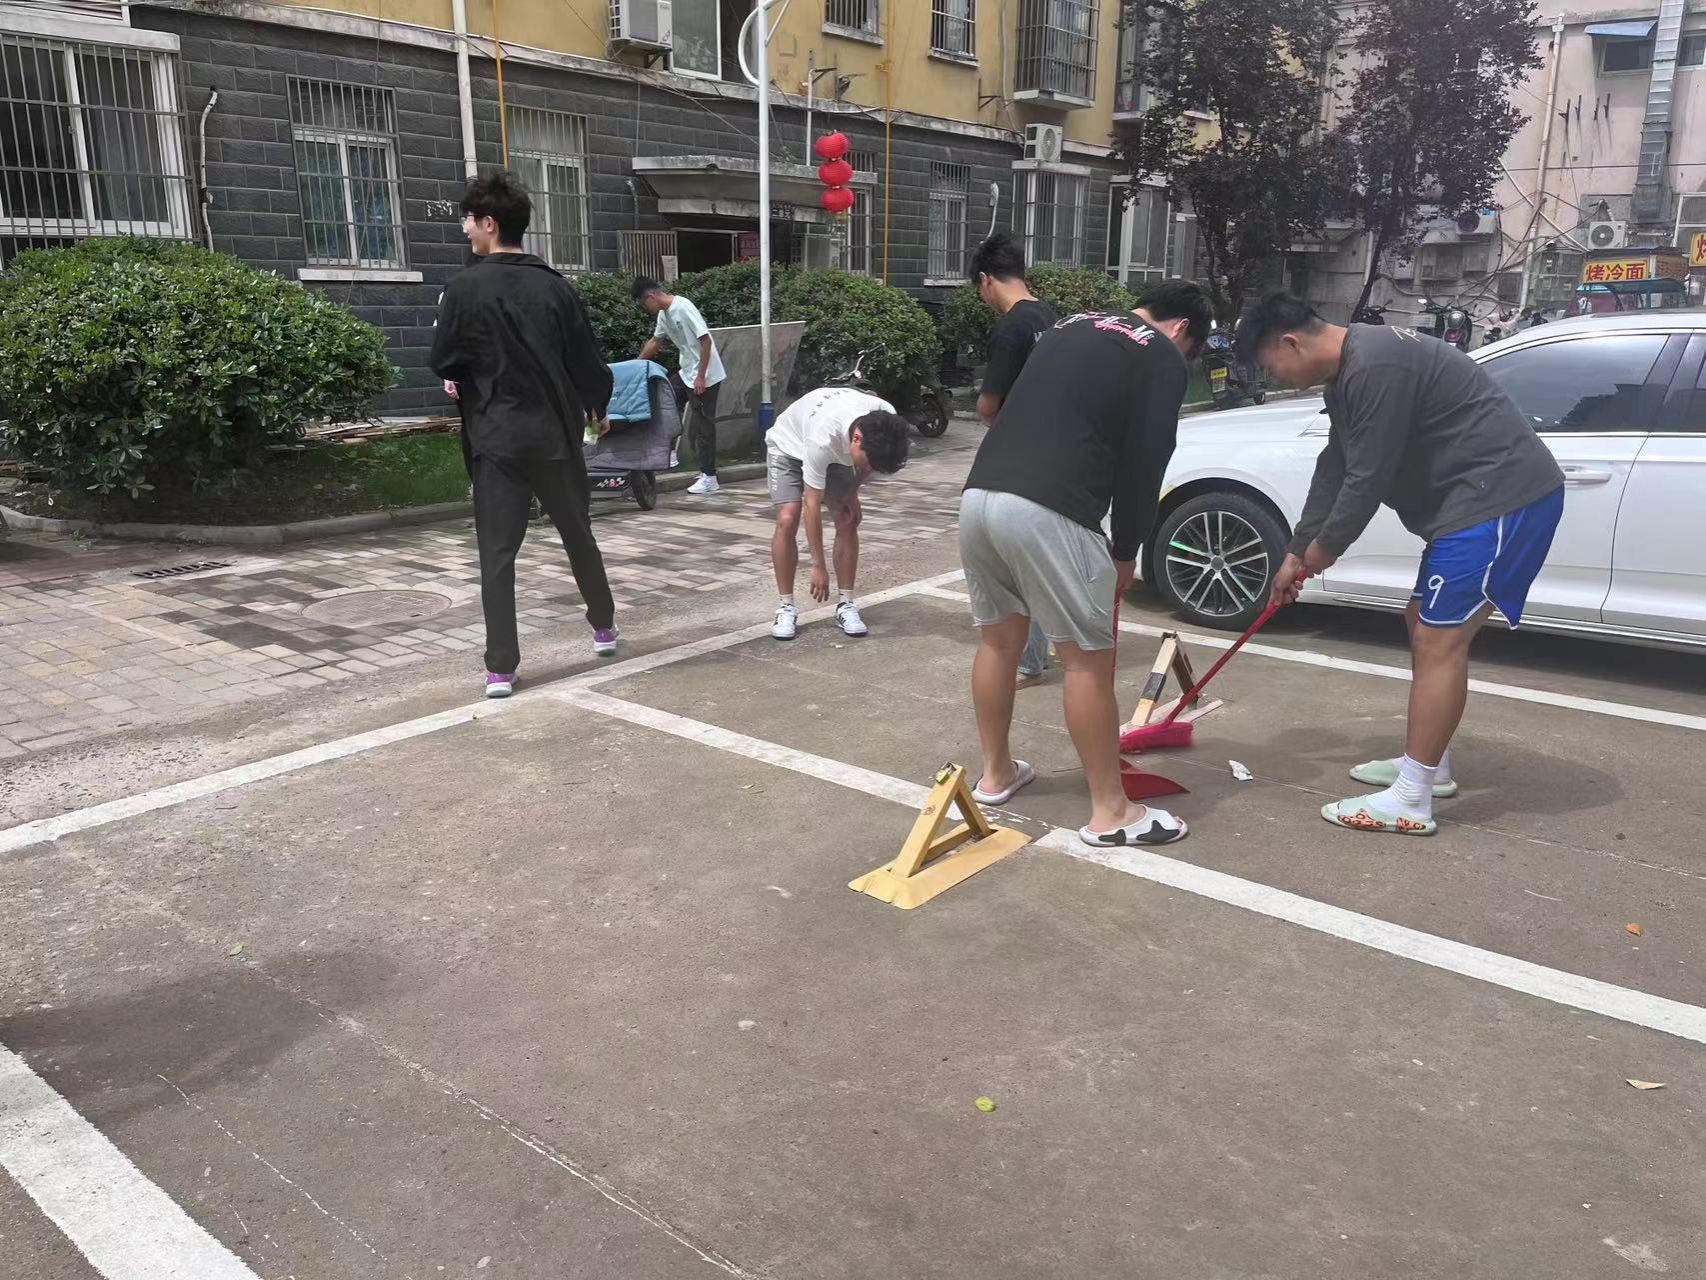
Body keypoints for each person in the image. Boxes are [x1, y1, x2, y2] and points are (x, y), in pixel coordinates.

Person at [1239, 293, 1566, 836]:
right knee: (1422, 622)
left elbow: (1367, 478)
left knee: (1440, 641)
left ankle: (1412, 798)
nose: (1278, 379)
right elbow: (1336, 463)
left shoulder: (1376, 365)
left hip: (1499, 502)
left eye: (1271, 367)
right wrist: (1296, 549)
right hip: (1471, 506)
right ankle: (1431, 765)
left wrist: (1320, 555)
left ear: (1291, 343)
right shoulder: (1351, 372)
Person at [959, 281, 1212, 847]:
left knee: (997, 643)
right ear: (1181, 329)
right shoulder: (1160, 353)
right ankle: (1112, 813)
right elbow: (1147, 459)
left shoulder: (1070, 326)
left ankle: (996, 775)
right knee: (1085, 663)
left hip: (979, 495)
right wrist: (1126, 549)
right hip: (1051, 507)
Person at [430, 171, 619, 698]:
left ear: (489, 223)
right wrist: (597, 407)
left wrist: (469, 372)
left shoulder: (462, 289)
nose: (465, 229)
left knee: (497, 553)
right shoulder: (556, 286)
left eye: (469, 220)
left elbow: (444, 360)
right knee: (577, 534)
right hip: (554, 436)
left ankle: (500, 668)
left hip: (496, 439)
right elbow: (587, 363)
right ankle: (603, 626)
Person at [971, 232, 1058, 689]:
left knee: (1013, 562)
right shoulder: (1051, 316)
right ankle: (1046, 648)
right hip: (1056, 447)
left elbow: (988, 405)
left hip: (1021, 455)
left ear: (987, 280)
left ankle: (1028, 659)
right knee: (1041, 557)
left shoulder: (1012, 327)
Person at [765, 386, 912, 640]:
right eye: (867, 463)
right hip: (788, 447)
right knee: (788, 518)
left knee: (848, 518)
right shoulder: (822, 437)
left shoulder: (886, 420)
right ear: (856, 439)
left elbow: (869, 464)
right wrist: (818, 566)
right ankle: (786, 606)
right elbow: (812, 503)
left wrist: (852, 493)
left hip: (837, 454)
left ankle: (846, 603)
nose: (869, 469)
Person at [634, 277, 727, 495]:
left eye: (643, 304)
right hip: (687, 372)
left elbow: (706, 341)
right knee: (665, 400)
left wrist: (701, 377)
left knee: (703, 425)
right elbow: (655, 341)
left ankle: (709, 477)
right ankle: (670, 452)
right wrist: (636, 364)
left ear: (651, 297)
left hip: (706, 375)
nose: (645, 310)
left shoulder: (683, 307)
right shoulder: (663, 315)